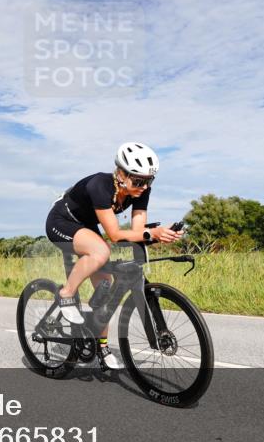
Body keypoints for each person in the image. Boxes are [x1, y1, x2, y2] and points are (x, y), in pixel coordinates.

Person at [45, 142, 183, 369]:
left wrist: (159, 236)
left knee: (104, 290)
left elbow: (138, 232)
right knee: (101, 250)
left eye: (149, 181)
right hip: (62, 221)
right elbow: (115, 234)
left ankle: (102, 347)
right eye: (138, 180)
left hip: (87, 225)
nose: (144, 186)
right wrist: (152, 233)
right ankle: (66, 294)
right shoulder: (100, 185)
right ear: (120, 174)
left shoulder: (140, 191)